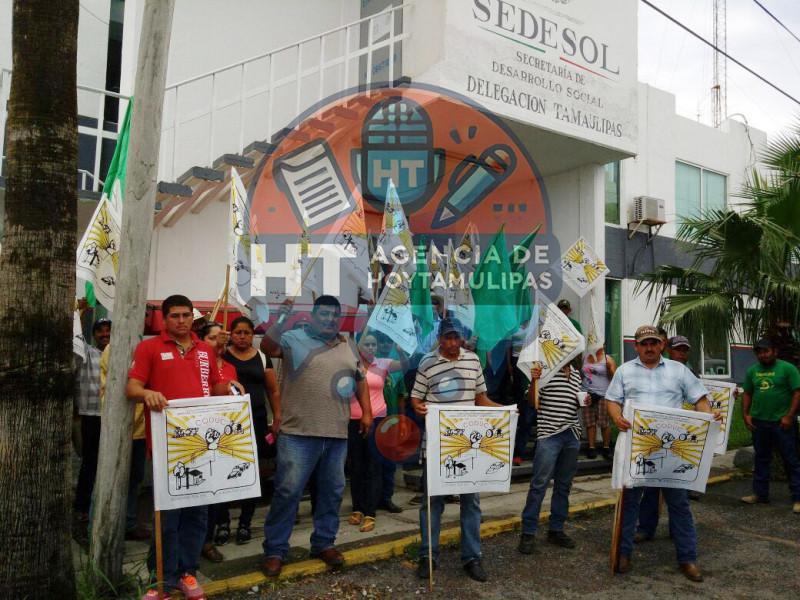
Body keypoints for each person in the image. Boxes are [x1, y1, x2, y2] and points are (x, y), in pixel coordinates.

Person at [126, 295, 240, 600]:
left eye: (186, 315)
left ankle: (188, 574)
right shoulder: (149, 347)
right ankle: (159, 579)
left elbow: (215, 388)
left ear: (193, 317)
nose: (181, 320)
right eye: (174, 316)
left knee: (196, 516)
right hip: (167, 448)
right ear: (164, 319)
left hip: (203, 447)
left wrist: (229, 389)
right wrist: (147, 393)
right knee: (167, 517)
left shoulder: (205, 349)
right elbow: (132, 387)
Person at [259, 296, 371, 578]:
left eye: (334, 316)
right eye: (324, 314)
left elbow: (360, 379)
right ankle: (275, 550)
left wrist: (367, 413)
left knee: (332, 492)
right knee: (288, 492)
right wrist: (281, 318)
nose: (330, 320)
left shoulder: (348, 344)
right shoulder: (293, 338)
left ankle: (323, 543)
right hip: (298, 433)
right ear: (312, 315)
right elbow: (267, 347)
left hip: (336, 433)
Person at [605, 325, 721, 583]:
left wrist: (707, 416)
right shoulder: (624, 371)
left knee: (679, 505)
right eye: (644, 343)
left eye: (654, 343)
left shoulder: (678, 370)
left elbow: (700, 398)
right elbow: (612, 400)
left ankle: (688, 558)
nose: (649, 348)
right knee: (630, 503)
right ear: (636, 346)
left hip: (673, 452)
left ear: (662, 345)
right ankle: (623, 553)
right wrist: (616, 417)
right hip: (638, 449)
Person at [411, 318, 502, 583]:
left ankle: (472, 557)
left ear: (462, 338)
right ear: (439, 338)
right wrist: (417, 406)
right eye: (448, 337)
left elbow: (480, 398)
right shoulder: (427, 363)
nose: (453, 342)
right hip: (438, 444)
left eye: (457, 337)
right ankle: (428, 555)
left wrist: (504, 412)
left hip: (467, 447)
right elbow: (416, 397)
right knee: (432, 502)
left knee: (471, 502)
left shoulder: (473, 361)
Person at [216, 316, 282, 544]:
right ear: (231, 334)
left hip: (256, 421)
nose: (242, 336)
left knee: (250, 474)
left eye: (246, 332)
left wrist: (278, 418)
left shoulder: (262, 358)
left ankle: (245, 523)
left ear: (253, 334)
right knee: (223, 473)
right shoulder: (221, 356)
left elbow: (273, 391)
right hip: (226, 425)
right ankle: (223, 522)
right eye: (237, 332)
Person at [518, 361, 583, 555]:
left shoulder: (577, 374)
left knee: (564, 485)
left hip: (572, 434)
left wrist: (584, 401)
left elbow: (575, 403)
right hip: (549, 435)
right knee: (539, 485)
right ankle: (528, 533)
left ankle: (556, 529)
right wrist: (535, 381)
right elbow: (532, 403)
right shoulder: (544, 371)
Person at [347, 331, 406, 532]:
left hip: (378, 420)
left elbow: (405, 366)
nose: (371, 348)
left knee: (374, 466)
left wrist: (402, 353)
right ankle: (357, 508)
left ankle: (371, 512)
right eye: (367, 344)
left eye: (373, 344)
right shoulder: (350, 364)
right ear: (359, 347)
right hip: (353, 420)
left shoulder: (383, 363)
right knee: (356, 466)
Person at [97, 343, 151, 542]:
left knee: (135, 478)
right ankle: (100, 529)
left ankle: (128, 523)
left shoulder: (145, 346)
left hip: (140, 429)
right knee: (108, 478)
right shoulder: (116, 347)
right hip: (117, 426)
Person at [740, 338, 800, 514]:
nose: (763, 355)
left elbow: (797, 393)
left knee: (791, 460)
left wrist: (789, 416)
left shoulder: (788, 368)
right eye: (759, 352)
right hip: (760, 422)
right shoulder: (752, 371)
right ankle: (760, 494)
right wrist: (746, 414)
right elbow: (748, 393)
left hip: (782, 423)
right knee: (761, 459)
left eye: (766, 351)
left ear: (775, 351)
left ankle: (797, 498)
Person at [73, 315, 111, 526]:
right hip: (90, 417)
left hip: (114, 419)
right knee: (90, 463)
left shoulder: (120, 355)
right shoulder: (86, 354)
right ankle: (81, 507)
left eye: (108, 330)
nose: (105, 334)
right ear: (94, 334)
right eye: (100, 330)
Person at [375, 331, 407, 513]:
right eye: (382, 342)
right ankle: (372, 498)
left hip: (392, 421)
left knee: (389, 462)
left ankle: (387, 498)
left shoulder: (395, 368)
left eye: (389, 342)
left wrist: (402, 420)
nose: (385, 345)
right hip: (375, 419)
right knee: (373, 463)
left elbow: (402, 396)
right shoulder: (371, 365)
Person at [581, 347, 616, 459]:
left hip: (603, 394)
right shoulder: (585, 357)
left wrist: (610, 368)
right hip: (587, 393)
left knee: (604, 422)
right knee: (590, 422)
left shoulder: (607, 359)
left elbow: (615, 377)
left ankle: (606, 447)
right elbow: (581, 374)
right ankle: (591, 447)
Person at [511, 321, 534, 466]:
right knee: (526, 420)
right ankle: (518, 453)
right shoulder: (522, 360)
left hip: (543, 392)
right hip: (528, 391)